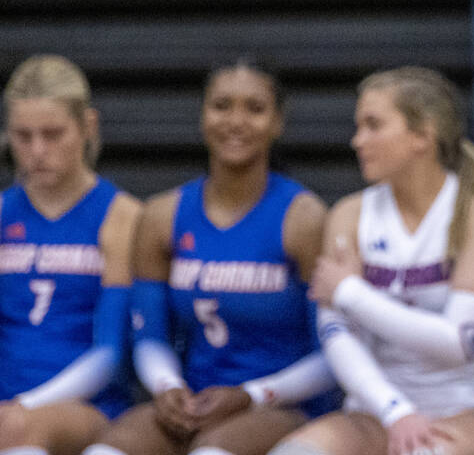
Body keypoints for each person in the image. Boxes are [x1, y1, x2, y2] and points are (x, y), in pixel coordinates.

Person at [267, 67, 474, 455]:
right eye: (358, 126)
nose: (357, 141)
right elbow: (337, 336)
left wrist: (350, 292)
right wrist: (395, 410)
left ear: (423, 134)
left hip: (471, 405)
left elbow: (458, 342)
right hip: (377, 408)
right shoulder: (350, 214)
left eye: (373, 125)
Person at [84, 60, 338, 455]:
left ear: (278, 123)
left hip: (284, 405)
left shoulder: (304, 219)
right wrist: (168, 387)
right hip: (193, 400)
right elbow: (149, 336)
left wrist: (252, 395)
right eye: (222, 106)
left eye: (254, 109)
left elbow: (332, 356)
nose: (235, 121)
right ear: (202, 115)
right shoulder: (162, 215)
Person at [0, 55, 142, 455]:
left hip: (86, 404)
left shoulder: (120, 216)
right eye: (22, 137)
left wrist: (24, 406)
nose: (37, 150)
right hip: (7, 400)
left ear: (87, 127)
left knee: (21, 434)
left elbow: (110, 355)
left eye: (52, 134)